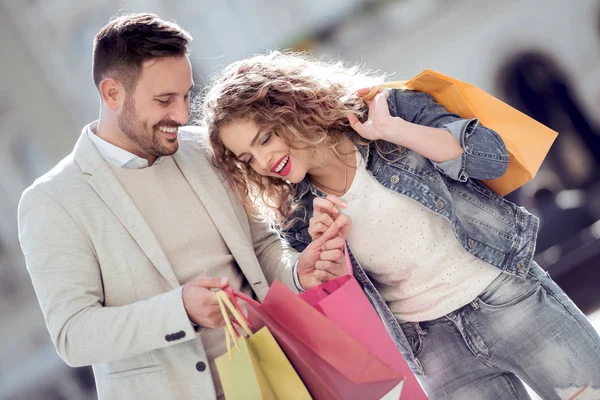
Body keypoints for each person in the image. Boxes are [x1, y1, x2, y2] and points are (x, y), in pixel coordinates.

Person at [201, 51, 600, 400]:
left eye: (265, 137)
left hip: (508, 298)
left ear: (290, 106)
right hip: (435, 352)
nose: (264, 161)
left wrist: (395, 131)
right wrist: (329, 262)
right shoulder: (300, 218)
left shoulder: (389, 111)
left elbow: (491, 159)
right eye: (247, 157)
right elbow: (346, 312)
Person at [17, 16, 346, 400]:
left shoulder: (202, 148)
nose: (181, 114)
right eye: (164, 100)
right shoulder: (53, 201)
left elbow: (260, 248)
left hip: (279, 378)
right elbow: (73, 334)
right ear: (111, 94)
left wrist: (297, 274)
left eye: (186, 95)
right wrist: (181, 311)